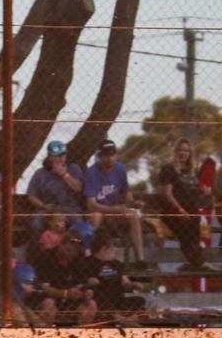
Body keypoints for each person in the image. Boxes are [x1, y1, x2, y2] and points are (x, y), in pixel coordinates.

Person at [84, 139, 147, 268]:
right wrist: (115, 209)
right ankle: (87, 255)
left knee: (133, 216)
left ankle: (140, 259)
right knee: (95, 216)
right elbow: (91, 204)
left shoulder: (121, 169)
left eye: (113, 154)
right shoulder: (91, 172)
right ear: (99, 156)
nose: (110, 158)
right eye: (106, 155)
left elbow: (127, 194)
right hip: (101, 210)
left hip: (116, 212)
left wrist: (134, 203)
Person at [26, 140, 94, 249]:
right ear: (50, 157)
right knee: (36, 223)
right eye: (57, 156)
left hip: (70, 208)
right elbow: (31, 196)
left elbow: (79, 189)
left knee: (78, 223)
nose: (61, 158)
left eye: (63, 155)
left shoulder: (74, 168)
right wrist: (43, 206)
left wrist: (64, 174)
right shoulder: (40, 173)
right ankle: (39, 252)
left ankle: (74, 251)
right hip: (48, 208)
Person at [157, 137, 212, 271]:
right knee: (187, 224)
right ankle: (198, 263)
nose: (183, 153)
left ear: (190, 154)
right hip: (172, 210)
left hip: (190, 211)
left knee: (194, 221)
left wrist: (204, 191)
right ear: (175, 152)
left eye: (186, 151)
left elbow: (195, 192)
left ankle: (193, 263)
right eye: (180, 150)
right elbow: (167, 194)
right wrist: (180, 209)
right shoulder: (169, 169)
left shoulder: (190, 172)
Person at [34, 227, 97, 325]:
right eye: (69, 250)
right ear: (61, 244)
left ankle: (82, 335)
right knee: (48, 304)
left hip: (73, 299)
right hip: (51, 297)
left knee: (91, 304)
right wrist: (65, 293)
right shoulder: (45, 257)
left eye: (75, 251)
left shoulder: (79, 258)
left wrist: (85, 292)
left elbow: (83, 283)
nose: (72, 254)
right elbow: (44, 287)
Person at [81, 231, 145, 323]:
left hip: (117, 298)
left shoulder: (117, 264)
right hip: (101, 299)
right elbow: (85, 282)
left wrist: (132, 285)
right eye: (112, 248)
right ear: (104, 249)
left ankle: (125, 319)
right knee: (96, 294)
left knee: (140, 300)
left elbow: (125, 282)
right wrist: (90, 282)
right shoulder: (88, 262)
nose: (114, 250)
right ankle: (117, 318)